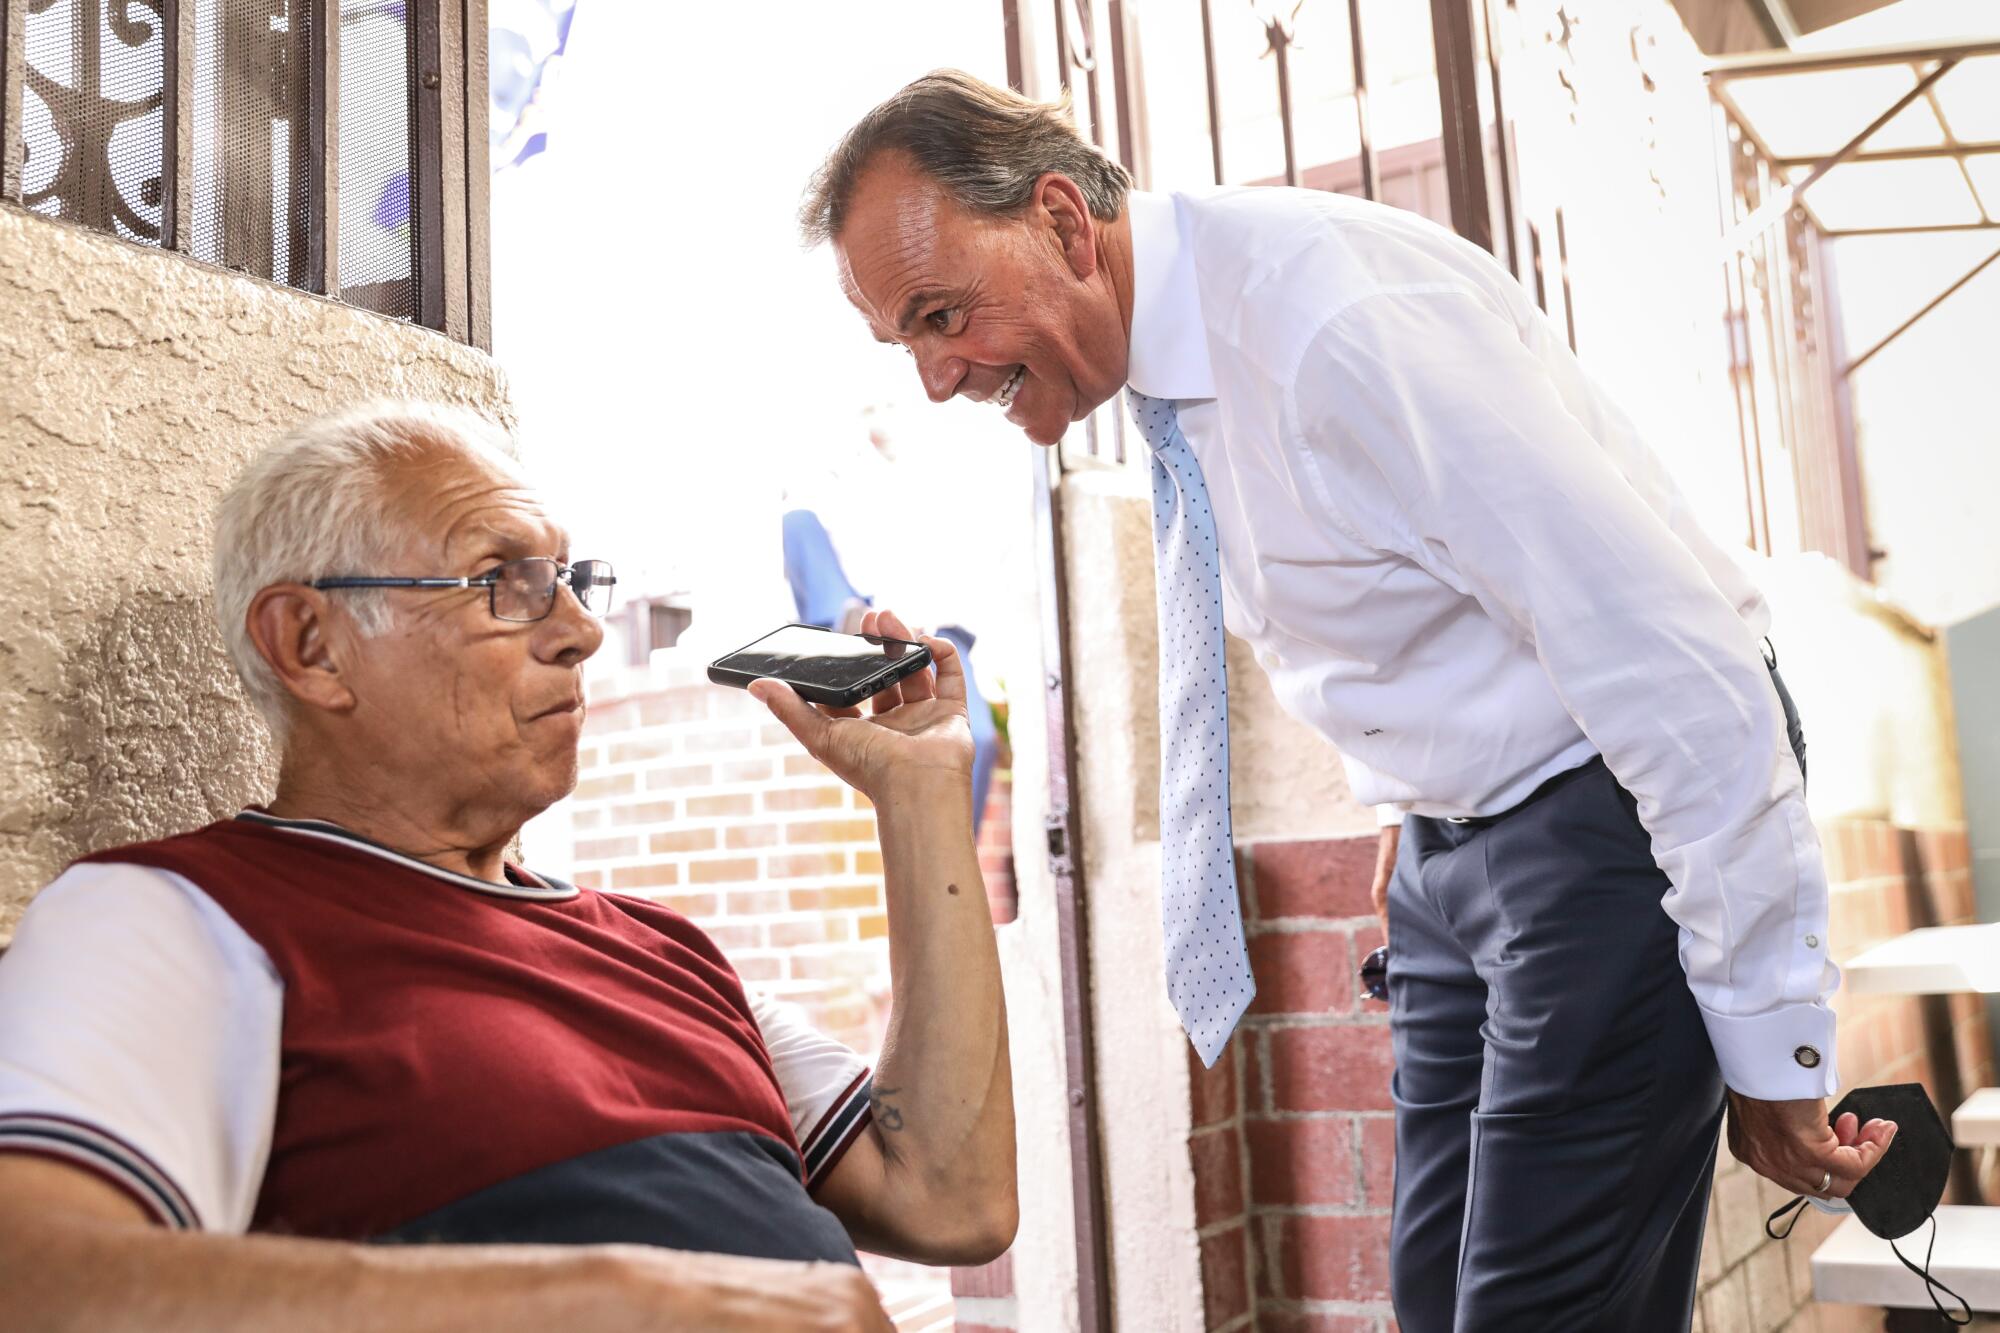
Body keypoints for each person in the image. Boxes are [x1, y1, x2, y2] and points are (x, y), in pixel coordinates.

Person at [799, 71, 1892, 1330]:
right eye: (907, 342)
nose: (936, 379)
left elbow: (1678, 668)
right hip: (1448, 847)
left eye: (941, 315)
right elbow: (1400, 591)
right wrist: (1406, 802)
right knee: (1432, 1305)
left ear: (1057, 218)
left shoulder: (1331, 323)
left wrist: (1769, 1040)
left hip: (1605, 821)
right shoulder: (1169, 371)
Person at [0, 402, 1015, 1331]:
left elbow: (949, 1196)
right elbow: (33, 1281)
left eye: (569, 581)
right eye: (506, 584)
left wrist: (921, 793)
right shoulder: (178, 917)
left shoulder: (669, 953)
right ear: (310, 644)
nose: (576, 632)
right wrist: (607, 1294)